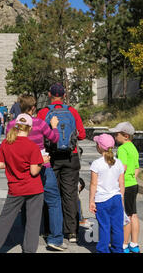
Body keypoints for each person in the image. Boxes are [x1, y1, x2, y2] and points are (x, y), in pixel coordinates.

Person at [6, 95, 65, 251]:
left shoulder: (12, 124)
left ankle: (28, 238)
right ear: (33, 108)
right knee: (53, 201)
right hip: (41, 165)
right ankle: (56, 239)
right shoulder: (39, 123)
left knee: (26, 202)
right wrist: (53, 126)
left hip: (20, 168)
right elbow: (54, 139)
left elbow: (9, 142)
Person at [0, 114, 47, 253]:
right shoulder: (32, 146)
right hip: (33, 188)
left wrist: (13, 164)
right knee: (33, 221)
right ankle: (29, 250)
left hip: (15, 187)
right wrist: (42, 161)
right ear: (30, 128)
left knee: (5, 218)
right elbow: (34, 171)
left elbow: (0, 165)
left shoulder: (6, 143)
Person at [37, 83, 86, 243]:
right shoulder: (72, 111)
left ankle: (50, 230)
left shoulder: (44, 112)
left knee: (50, 194)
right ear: (64, 95)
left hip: (50, 158)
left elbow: (38, 135)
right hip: (71, 157)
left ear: (49, 95)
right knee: (70, 193)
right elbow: (82, 135)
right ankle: (71, 232)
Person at [89, 134, 125, 253]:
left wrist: (91, 201)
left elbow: (93, 184)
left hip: (102, 200)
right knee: (117, 227)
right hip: (116, 198)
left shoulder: (97, 163)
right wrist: (122, 198)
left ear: (99, 146)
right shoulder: (119, 163)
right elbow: (121, 182)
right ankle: (117, 249)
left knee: (104, 226)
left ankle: (103, 250)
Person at [109, 122, 140, 253]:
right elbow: (137, 168)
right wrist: (132, 178)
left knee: (125, 216)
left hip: (125, 186)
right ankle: (134, 243)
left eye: (117, 134)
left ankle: (124, 244)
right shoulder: (133, 147)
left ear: (126, 136)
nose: (115, 137)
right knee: (133, 214)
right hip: (133, 184)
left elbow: (123, 168)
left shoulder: (122, 149)